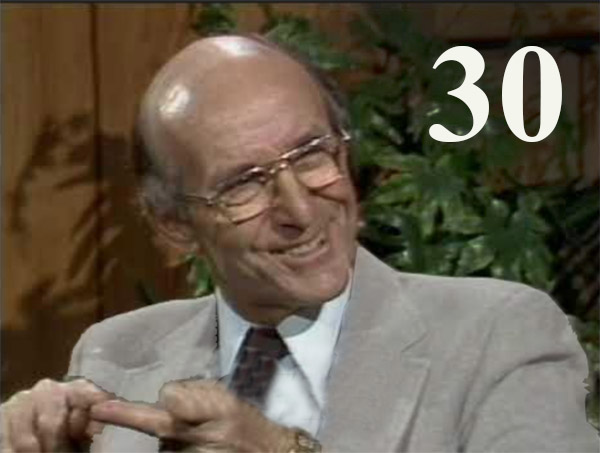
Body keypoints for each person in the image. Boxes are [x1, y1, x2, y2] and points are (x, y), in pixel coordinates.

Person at [1, 34, 597, 453]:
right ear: (174, 224)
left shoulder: (497, 336)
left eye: (312, 155)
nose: (301, 209)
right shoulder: (113, 355)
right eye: (243, 184)